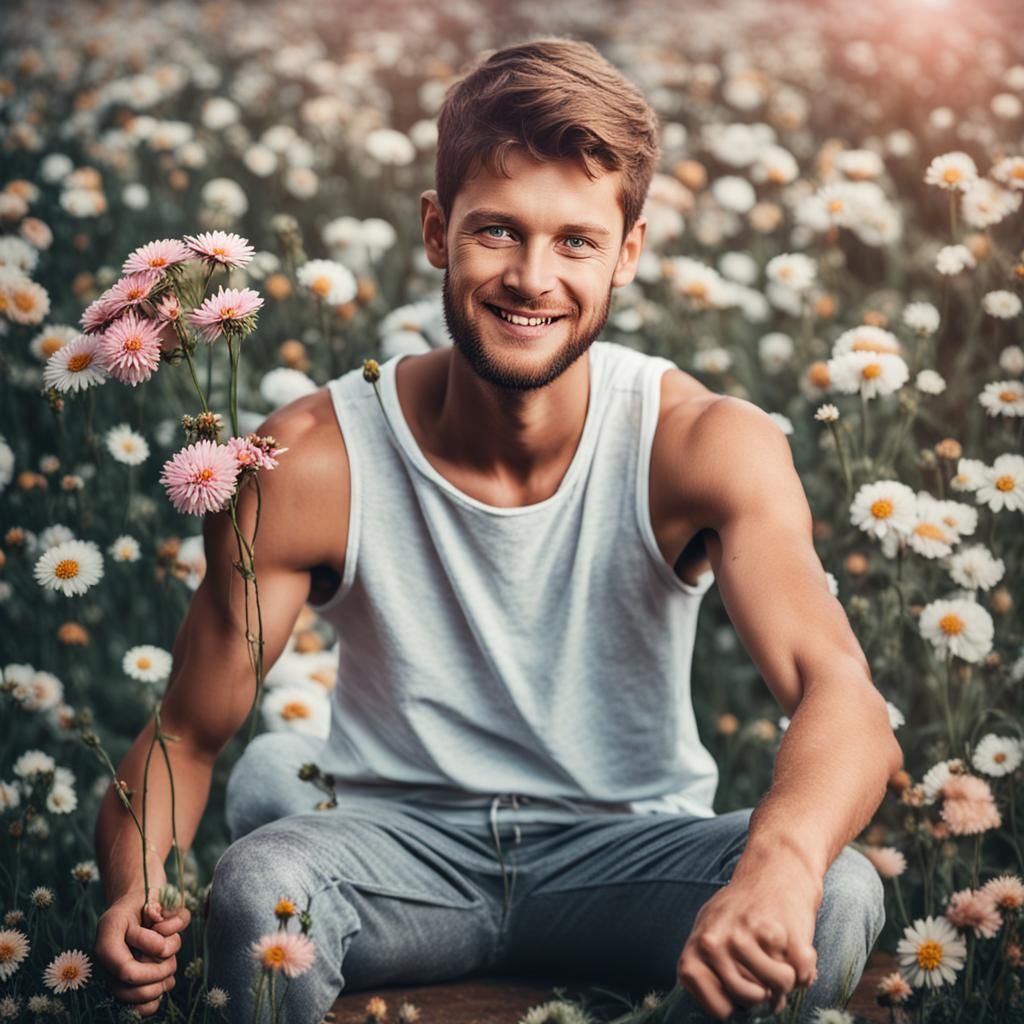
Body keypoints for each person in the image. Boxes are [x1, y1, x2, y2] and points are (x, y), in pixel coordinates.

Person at [94, 38, 903, 1024]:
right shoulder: (311, 458)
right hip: (396, 854)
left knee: (835, 894)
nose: (531, 277)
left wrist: (776, 865)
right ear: (437, 231)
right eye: (497, 232)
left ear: (629, 252)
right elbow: (184, 732)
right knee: (261, 882)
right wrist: (134, 888)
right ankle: (284, 792)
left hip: (627, 858)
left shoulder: (699, 442)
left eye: (576, 241)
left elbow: (844, 697)